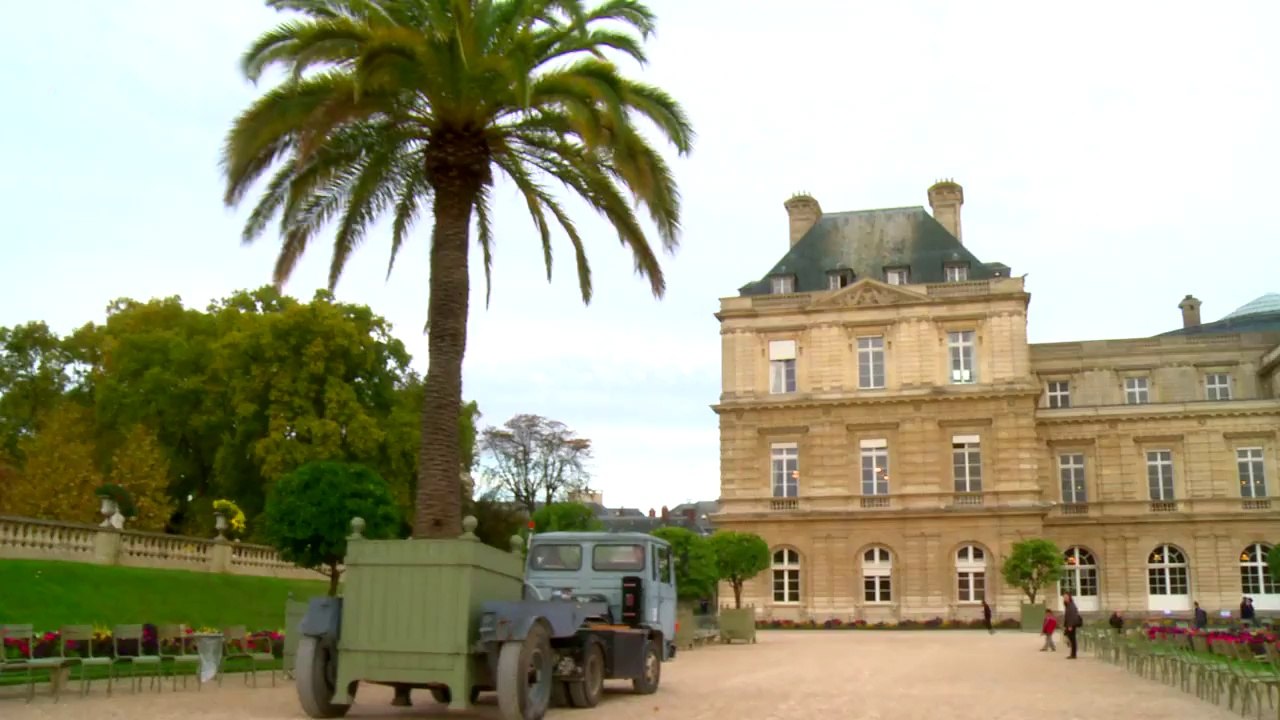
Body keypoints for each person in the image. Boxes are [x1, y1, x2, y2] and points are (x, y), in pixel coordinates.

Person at [1062, 592, 1082, 659]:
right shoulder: (1068, 605)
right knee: (1071, 639)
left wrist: (1070, 626)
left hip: (1071, 625)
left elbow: (1072, 616)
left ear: (1069, 597)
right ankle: (1073, 654)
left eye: (1066, 597)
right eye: (1064, 597)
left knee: (1072, 640)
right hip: (1069, 624)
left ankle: (1073, 654)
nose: (1065, 598)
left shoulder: (1071, 605)